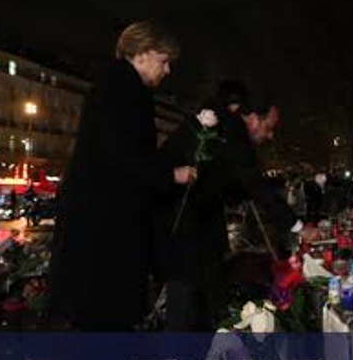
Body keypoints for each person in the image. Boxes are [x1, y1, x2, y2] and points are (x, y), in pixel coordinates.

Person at [48, 21, 196, 331]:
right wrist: (171, 175)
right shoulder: (126, 89)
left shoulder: (113, 84)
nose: (167, 70)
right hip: (107, 228)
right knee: (108, 317)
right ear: (142, 53)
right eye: (164, 60)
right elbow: (125, 156)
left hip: (97, 223)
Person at [161, 79, 313, 331]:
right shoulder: (232, 130)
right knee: (186, 301)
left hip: (199, 223)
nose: (270, 134)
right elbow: (255, 183)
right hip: (184, 225)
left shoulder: (224, 126)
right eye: (268, 127)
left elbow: (229, 182)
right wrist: (298, 226)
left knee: (203, 298)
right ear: (252, 118)